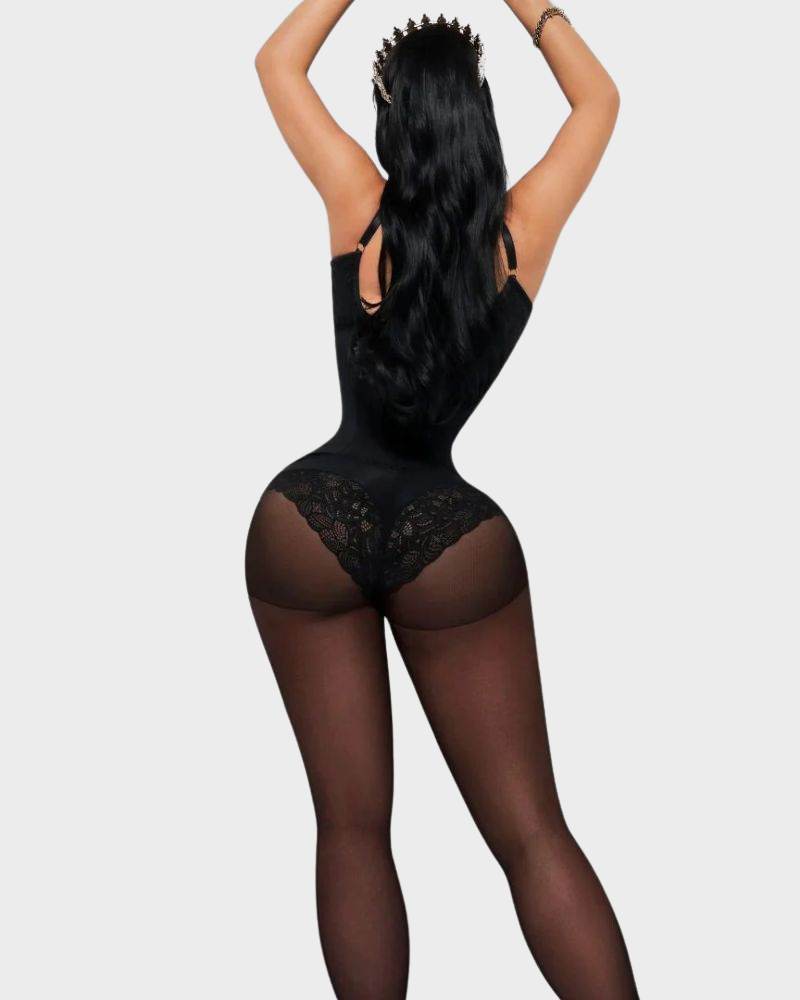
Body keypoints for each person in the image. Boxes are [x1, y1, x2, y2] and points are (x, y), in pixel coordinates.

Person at [246, 4, 638, 997]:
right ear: (477, 112)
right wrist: (527, 5)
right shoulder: (520, 234)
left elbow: (277, 63)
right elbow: (598, 102)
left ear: (390, 116)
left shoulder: (355, 200)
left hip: (307, 521)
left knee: (349, 827)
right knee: (532, 835)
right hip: (448, 538)